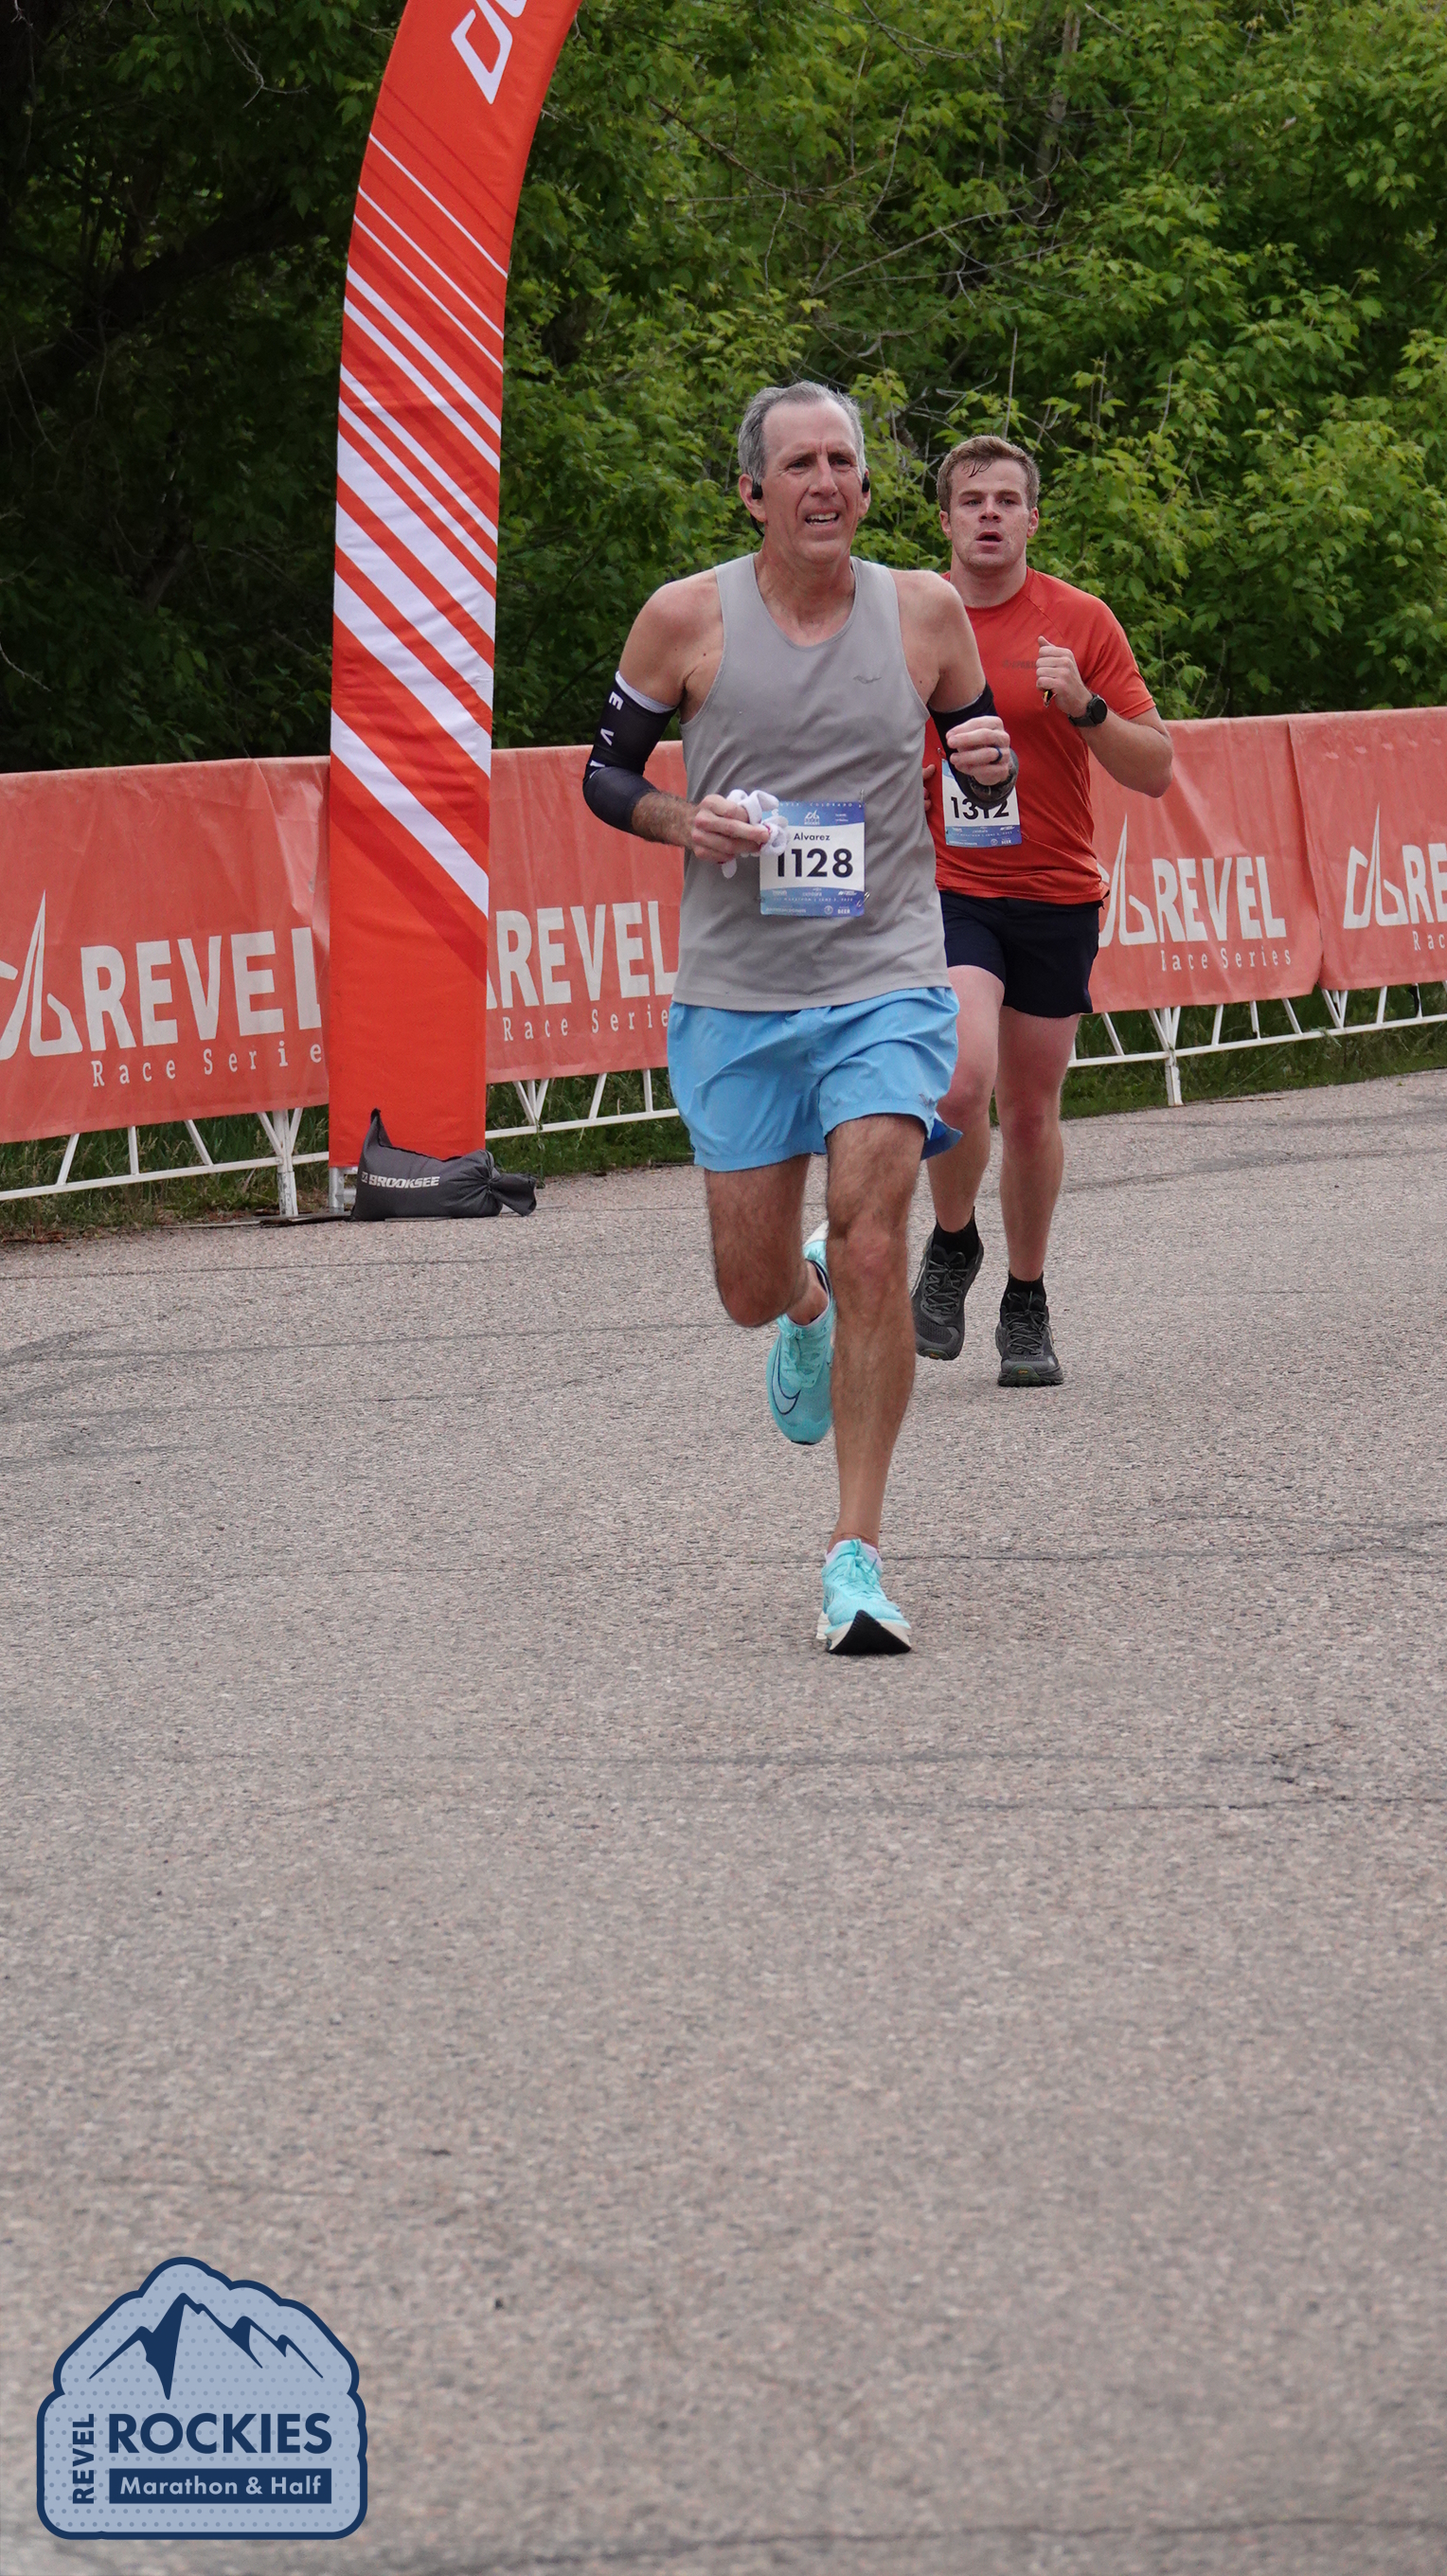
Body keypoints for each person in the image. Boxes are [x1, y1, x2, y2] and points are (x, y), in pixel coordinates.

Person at [581, 383, 1016, 1654]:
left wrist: (985, 763)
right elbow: (604, 775)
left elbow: (976, 755)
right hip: (739, 992)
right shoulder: (685, 617)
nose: (825, 482)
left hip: (887, 973)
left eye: (842, 461)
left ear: (866, 489)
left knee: (878, 1238)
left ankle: (855, 1556)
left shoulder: (925, 613)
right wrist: (682, 819)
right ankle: (802, 1307)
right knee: (746, 1285)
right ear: (752, 492)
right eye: (799, 464)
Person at [911, 435, 1173, 1386]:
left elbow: (1156, 767)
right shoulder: (908, 615)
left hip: (1056, 892)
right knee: (956, 1081)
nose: (988, 513)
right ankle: (951, 1242)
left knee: (1028, 1112)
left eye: (1005, 499)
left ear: (1032, 518)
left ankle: (1025, 1298)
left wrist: (1087, 708)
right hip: (950, 886)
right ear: (945, 519)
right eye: (970, 499)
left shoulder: (1079, 620)